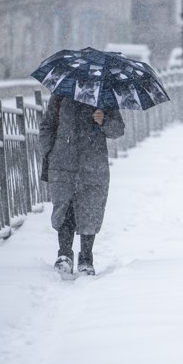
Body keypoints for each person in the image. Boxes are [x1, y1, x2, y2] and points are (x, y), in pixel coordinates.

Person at [39, 95, 125, 276]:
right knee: (64, 208)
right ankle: (64, 255)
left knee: (90, 208)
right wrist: (50, 151)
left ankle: (86, 258)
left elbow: (118, 129)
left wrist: (104, 121)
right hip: (63, 163)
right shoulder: (60, 95)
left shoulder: (104, 96)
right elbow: (47, 126)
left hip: (93, 164)